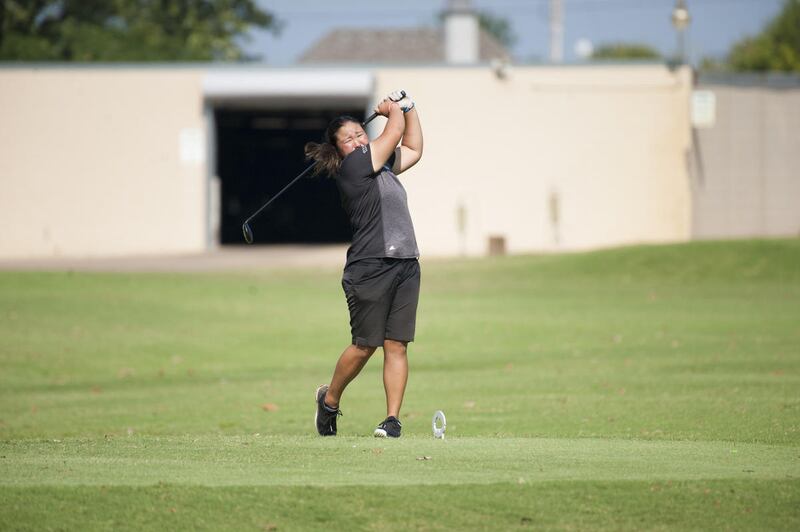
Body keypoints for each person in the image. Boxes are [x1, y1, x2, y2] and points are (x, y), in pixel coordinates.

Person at [305, 90, 423, 438]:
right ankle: (329, 400)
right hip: (370, 267)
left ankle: (392, 419)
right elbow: (394, 133)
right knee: (364, 346)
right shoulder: (354, 166)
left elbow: (413, 149)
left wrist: (409, 108)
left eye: (360, 134)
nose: (357, 141)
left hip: (406, 263)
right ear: (338, 150)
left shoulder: (381, 164)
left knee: (397, 344)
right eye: (349, 139)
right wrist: (392, 111)